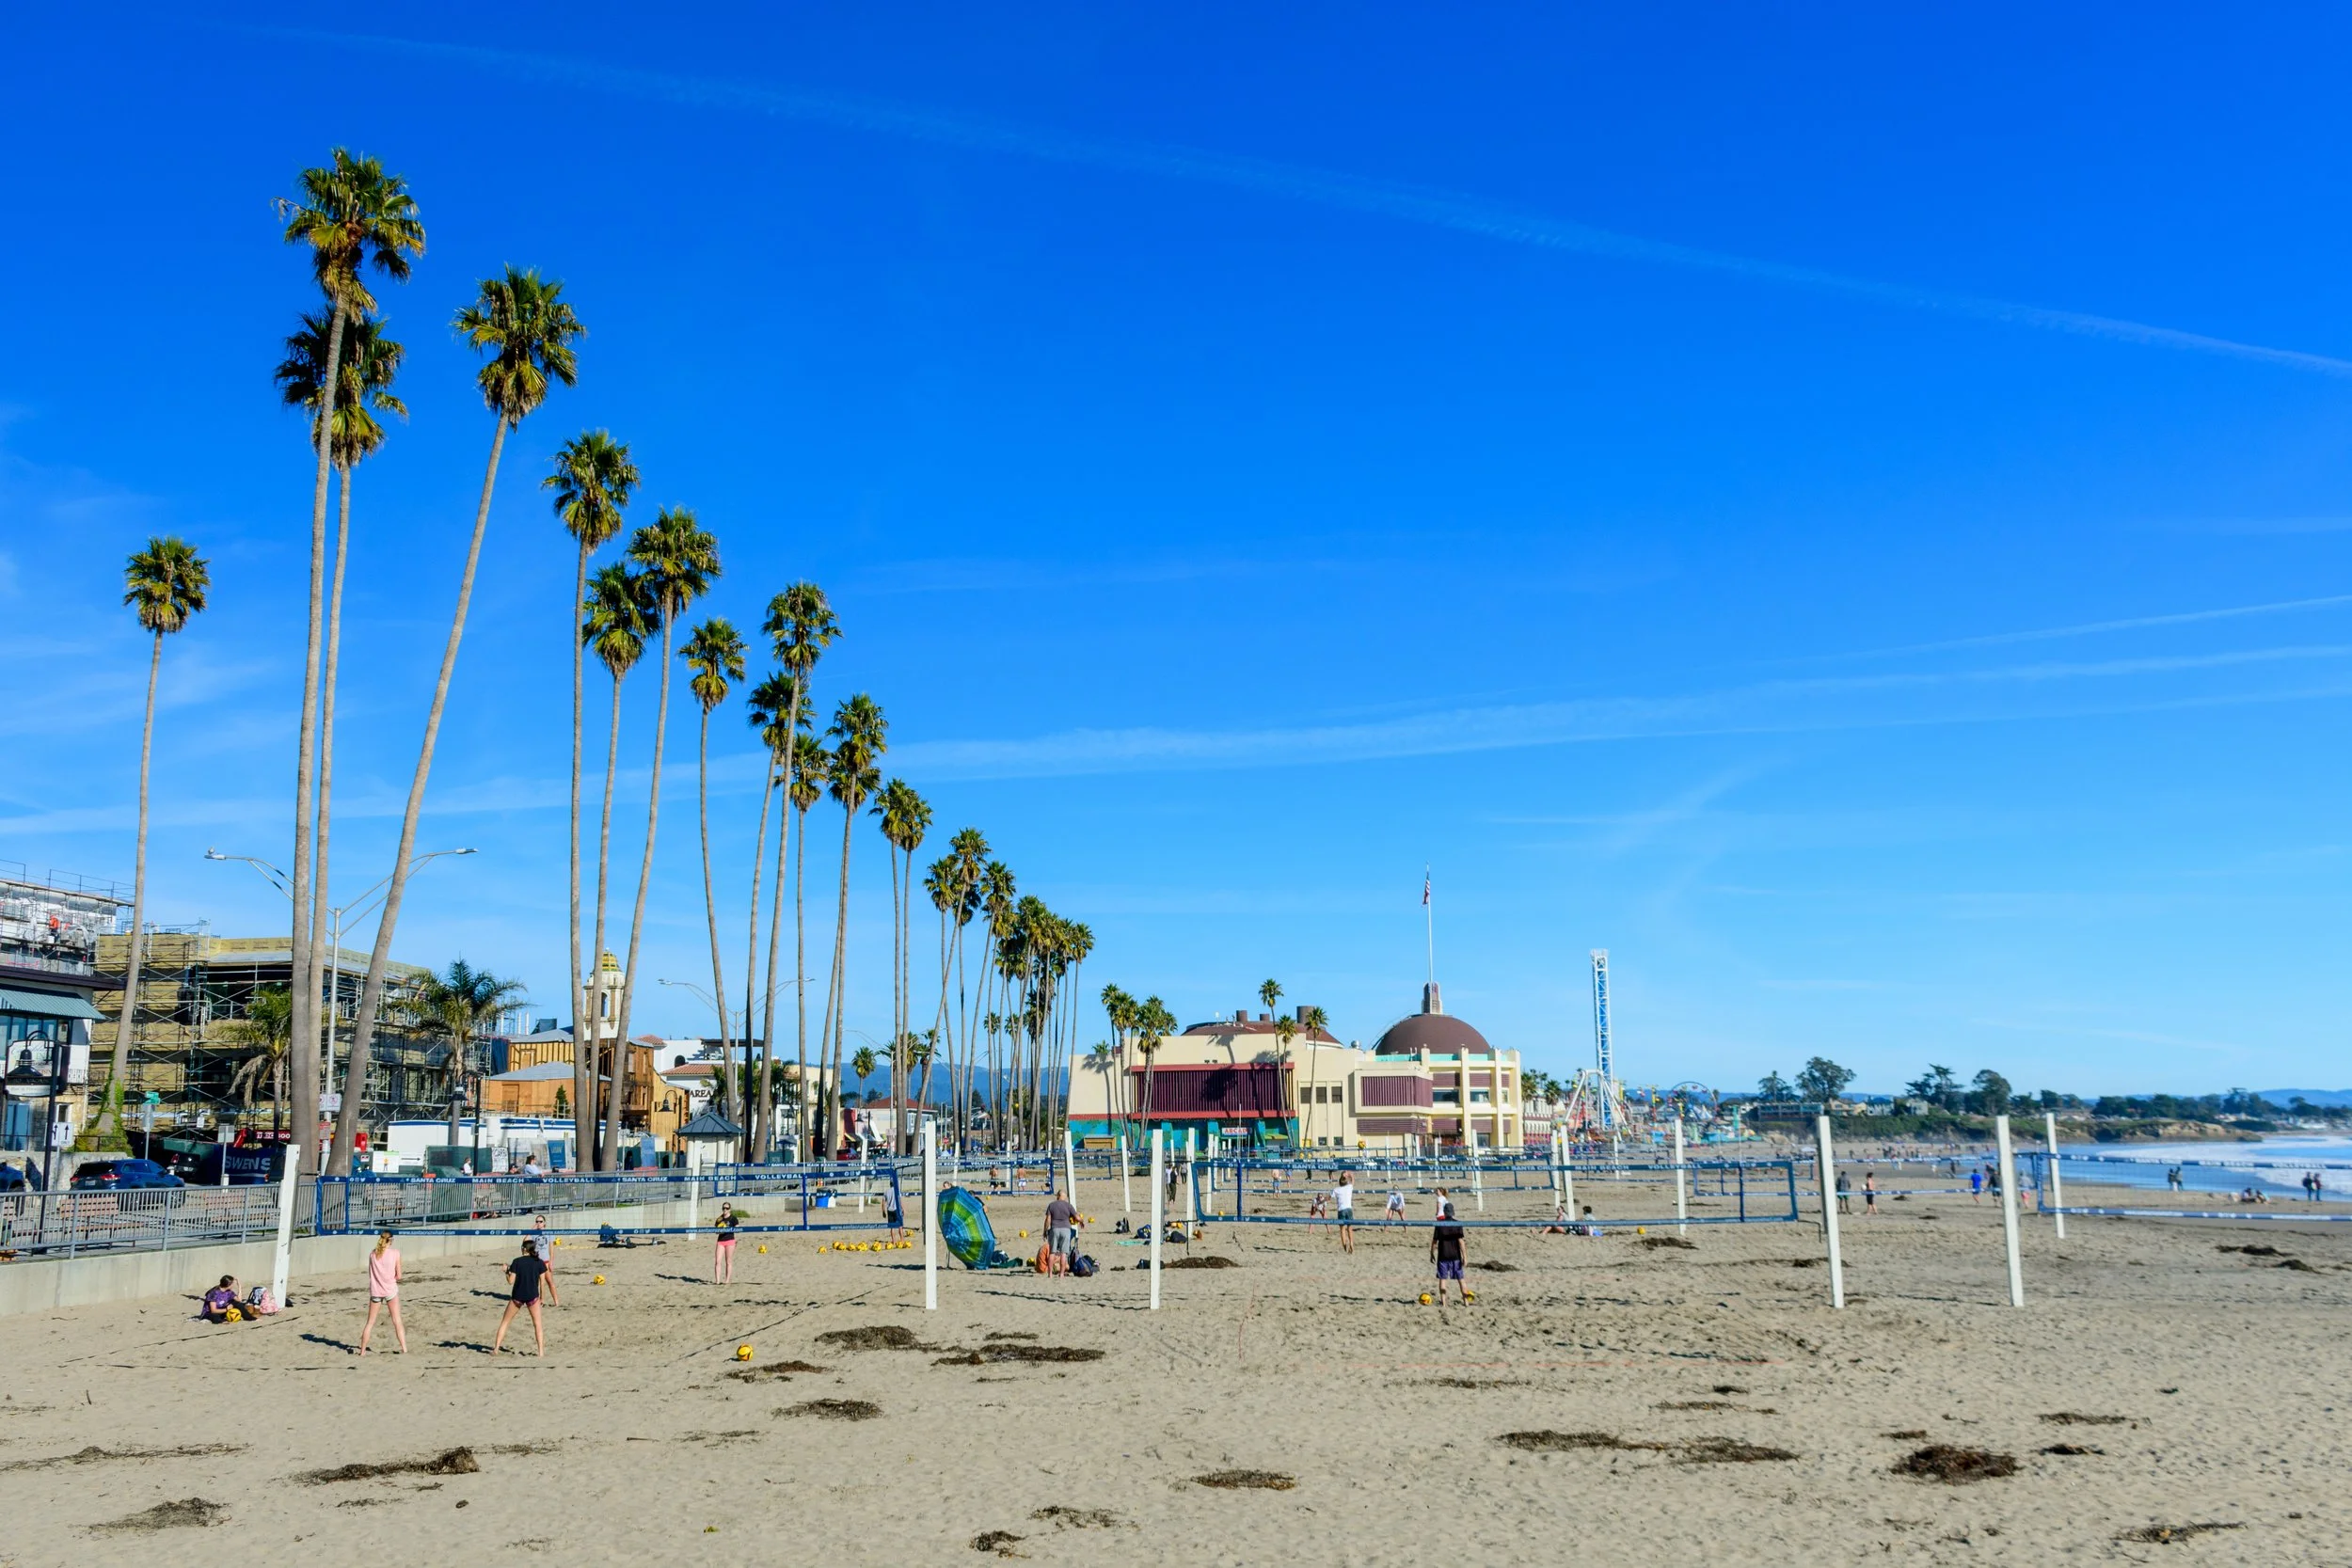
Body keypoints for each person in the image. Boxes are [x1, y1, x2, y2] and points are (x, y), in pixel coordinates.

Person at [493, 1243, 552, 1357]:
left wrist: (506, 1271)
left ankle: (496, 1349)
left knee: (505, 1322)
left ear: (524, 1249)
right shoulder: (539, 1262)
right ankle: (541, 1352)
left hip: (517, 1296)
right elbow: (542, 1283)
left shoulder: (517, 1261)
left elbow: (510, 1281)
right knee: (538, 1325)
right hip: (533, 1296)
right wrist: (542, 1298)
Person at [359, 1230, 407, 1355]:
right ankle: (404, 1349)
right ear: (390, 1241)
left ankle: (362, 1352)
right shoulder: (395, 1253)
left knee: (370, 1322)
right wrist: (391, 1279)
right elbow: (399, 1276)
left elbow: (371, 1275)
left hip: (376, 1290)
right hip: (390, 1289)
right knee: (397, 1321)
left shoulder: (372, 1254)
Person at [1429, 1208, 1468, 1305]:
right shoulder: (1457, 1224)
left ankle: (1444, 1303)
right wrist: (1465, 1257)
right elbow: (1461, 1242)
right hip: (1455, 1256)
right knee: (1461, 1280)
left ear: (1444, 1213)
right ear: (1453, 1213)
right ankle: (1466, 1302)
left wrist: (1432, 1253)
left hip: (1443, 1256)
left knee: (1443, 1279)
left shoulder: (1439, 1224)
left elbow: (1434, 1242)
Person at [1043, 1187, 1081, 1278]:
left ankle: (1050, 1274)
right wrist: (1082, 1221)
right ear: (1065, 1197)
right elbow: (1077, 1217)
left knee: (1052, 1252)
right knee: (1063, 1253)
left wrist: (1045, 1231)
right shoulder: (1068, 1206)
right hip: (1066, 1230)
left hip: (1054, 1229)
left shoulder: (1051, 1205)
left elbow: (1048, 1219)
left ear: (1058, 1196)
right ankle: (1061, 1274)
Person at [713, 1202, 739, 1283]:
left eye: (727, 1208)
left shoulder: (733, 1218)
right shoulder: (719, 1219)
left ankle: (727, 1281)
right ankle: (717, 1281)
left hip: (730, 1241)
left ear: (730, 1209)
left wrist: (735, 1240)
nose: (725, 1209)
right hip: (721, 1241)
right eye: (723, 1208)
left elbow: (738, 1229)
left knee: (728, 1261)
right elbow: (715, 1231)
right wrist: (720, 1231)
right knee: (717, 1261)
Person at [1331, 1172, 1357, 1255]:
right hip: (1349, 1209)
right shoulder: (1349, 1187)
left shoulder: (1336, 1189)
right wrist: (1349, 1174)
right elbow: (1353, 1178)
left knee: (1342, 1229)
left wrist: (1322, 1200)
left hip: (1341, 1210)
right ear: (1346, 1181)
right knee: (1350, 1228)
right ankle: (1351, 1244)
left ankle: (1345, 1246)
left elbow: (1329, 1197)